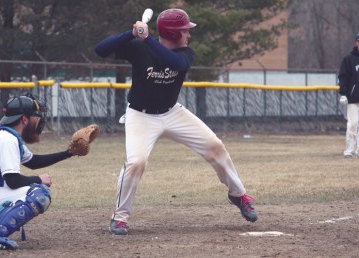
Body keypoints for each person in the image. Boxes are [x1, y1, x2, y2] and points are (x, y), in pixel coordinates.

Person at [95, 8, 258, 235]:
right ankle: (120, 217)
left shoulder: (184, 53)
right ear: (172, 34)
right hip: (141, 116)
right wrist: (130, 34)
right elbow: (100, 49)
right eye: (184, 31)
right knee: (137, 162)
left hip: (173, 113)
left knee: (215, 146)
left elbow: (176, 64)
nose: (188, 35)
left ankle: (238, 195)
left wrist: (147, 39)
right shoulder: (140, 47)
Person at [0, 94, 76, 250]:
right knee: (38, 193)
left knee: (31, 190)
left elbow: (34, 162)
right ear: (24, 119)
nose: (39, 121)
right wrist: (38, 179)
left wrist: (69, 153)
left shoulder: (5, 135)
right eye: (36, 116)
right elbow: (13, 181)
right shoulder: (6, 139)